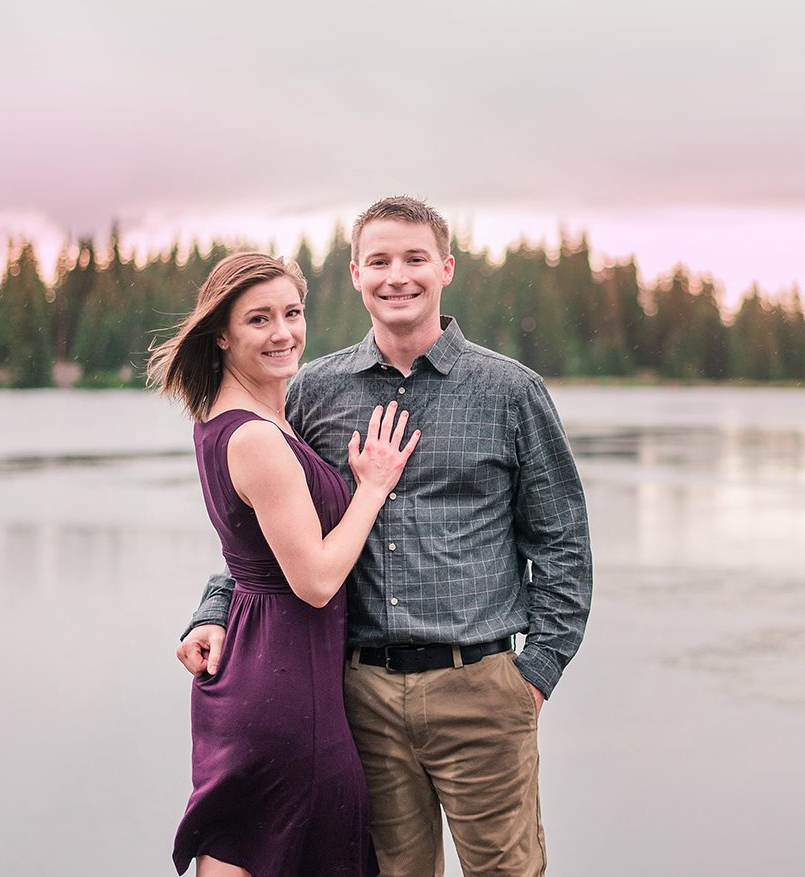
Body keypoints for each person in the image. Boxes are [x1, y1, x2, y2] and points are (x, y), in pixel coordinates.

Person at [177, 197, 593, 877]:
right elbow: (268, 531)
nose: (397, 275)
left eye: (414, 258)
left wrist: (535, 675)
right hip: (359, 694)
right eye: (379, 261)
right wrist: (214, 609)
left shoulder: (509, 391)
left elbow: (564, 543)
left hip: (481, 686)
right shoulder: (313, 390)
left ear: (446, 268)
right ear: (356, 274)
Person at [150, 251, 419, 877]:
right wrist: (373, 488)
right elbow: (317, 580)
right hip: (290, 692)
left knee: (247, 844)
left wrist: (210, 613)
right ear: (221, 334)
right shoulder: (257, 439)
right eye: (259, 319)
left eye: (292, 313)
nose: (283, 333)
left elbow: (248, 559)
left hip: (257, 667)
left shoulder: (239, 421)